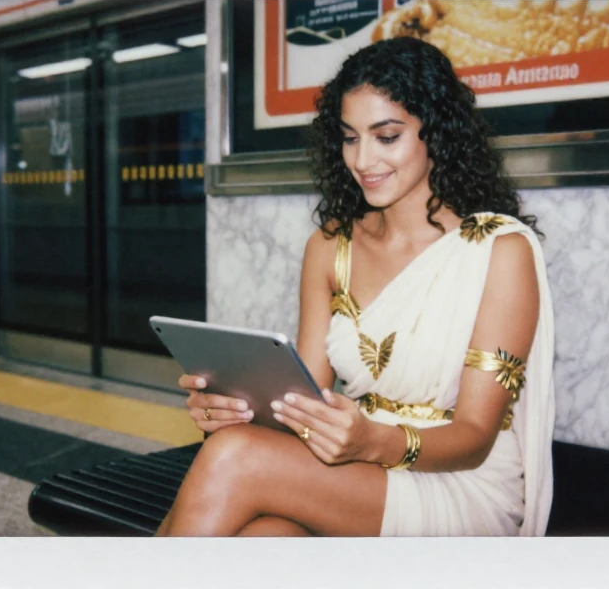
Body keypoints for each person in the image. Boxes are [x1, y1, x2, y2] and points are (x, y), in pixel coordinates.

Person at [155, 36, 555, 537]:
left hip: (459, 481)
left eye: (386, 136)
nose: (363, 160)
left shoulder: (499, 251)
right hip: (354, 466)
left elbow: (475, 436)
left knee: (234, 457)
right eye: (350, 138)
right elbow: (306, 403)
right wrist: (234, 409)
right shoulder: (330, 247)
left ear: (438, 133)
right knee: (264, 539)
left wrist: (375, 443)